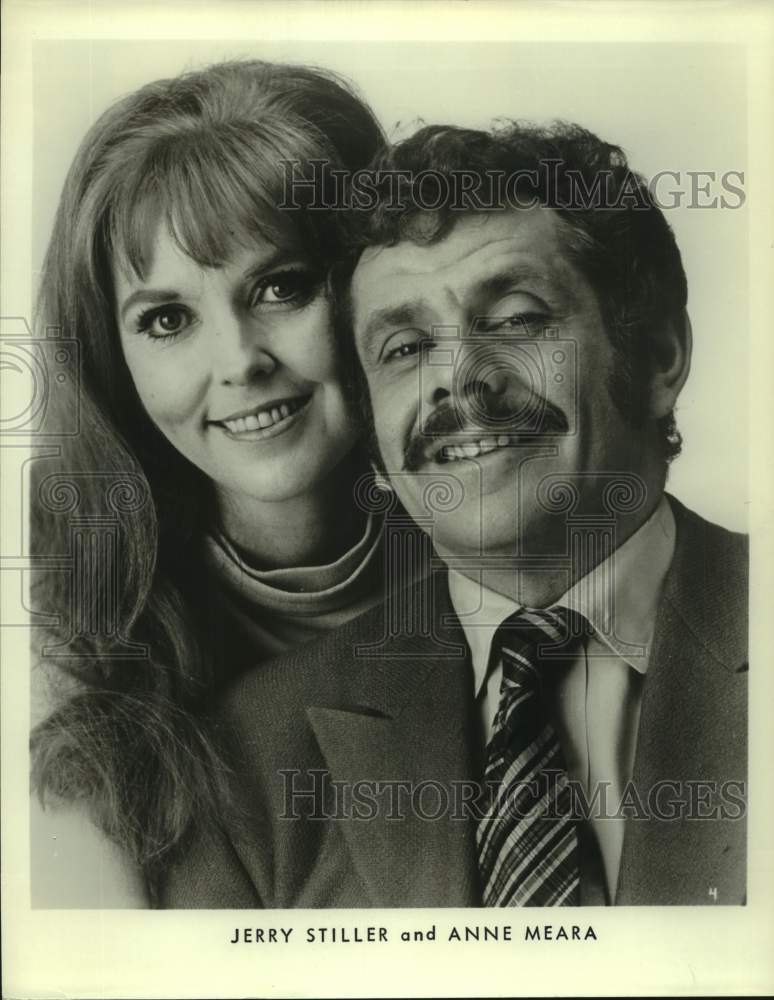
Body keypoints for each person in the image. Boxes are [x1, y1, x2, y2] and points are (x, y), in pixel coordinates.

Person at [161, 121, 748, 907]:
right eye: (403, 348)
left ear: (660, 358)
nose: (458, 381)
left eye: (514, 320)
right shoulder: (248, 760)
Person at [29, 59, 390, 907]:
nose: (238, 362)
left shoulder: (507, 551)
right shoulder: (61, 621)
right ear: (113, 363)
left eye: (281, 286)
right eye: (167, 319)